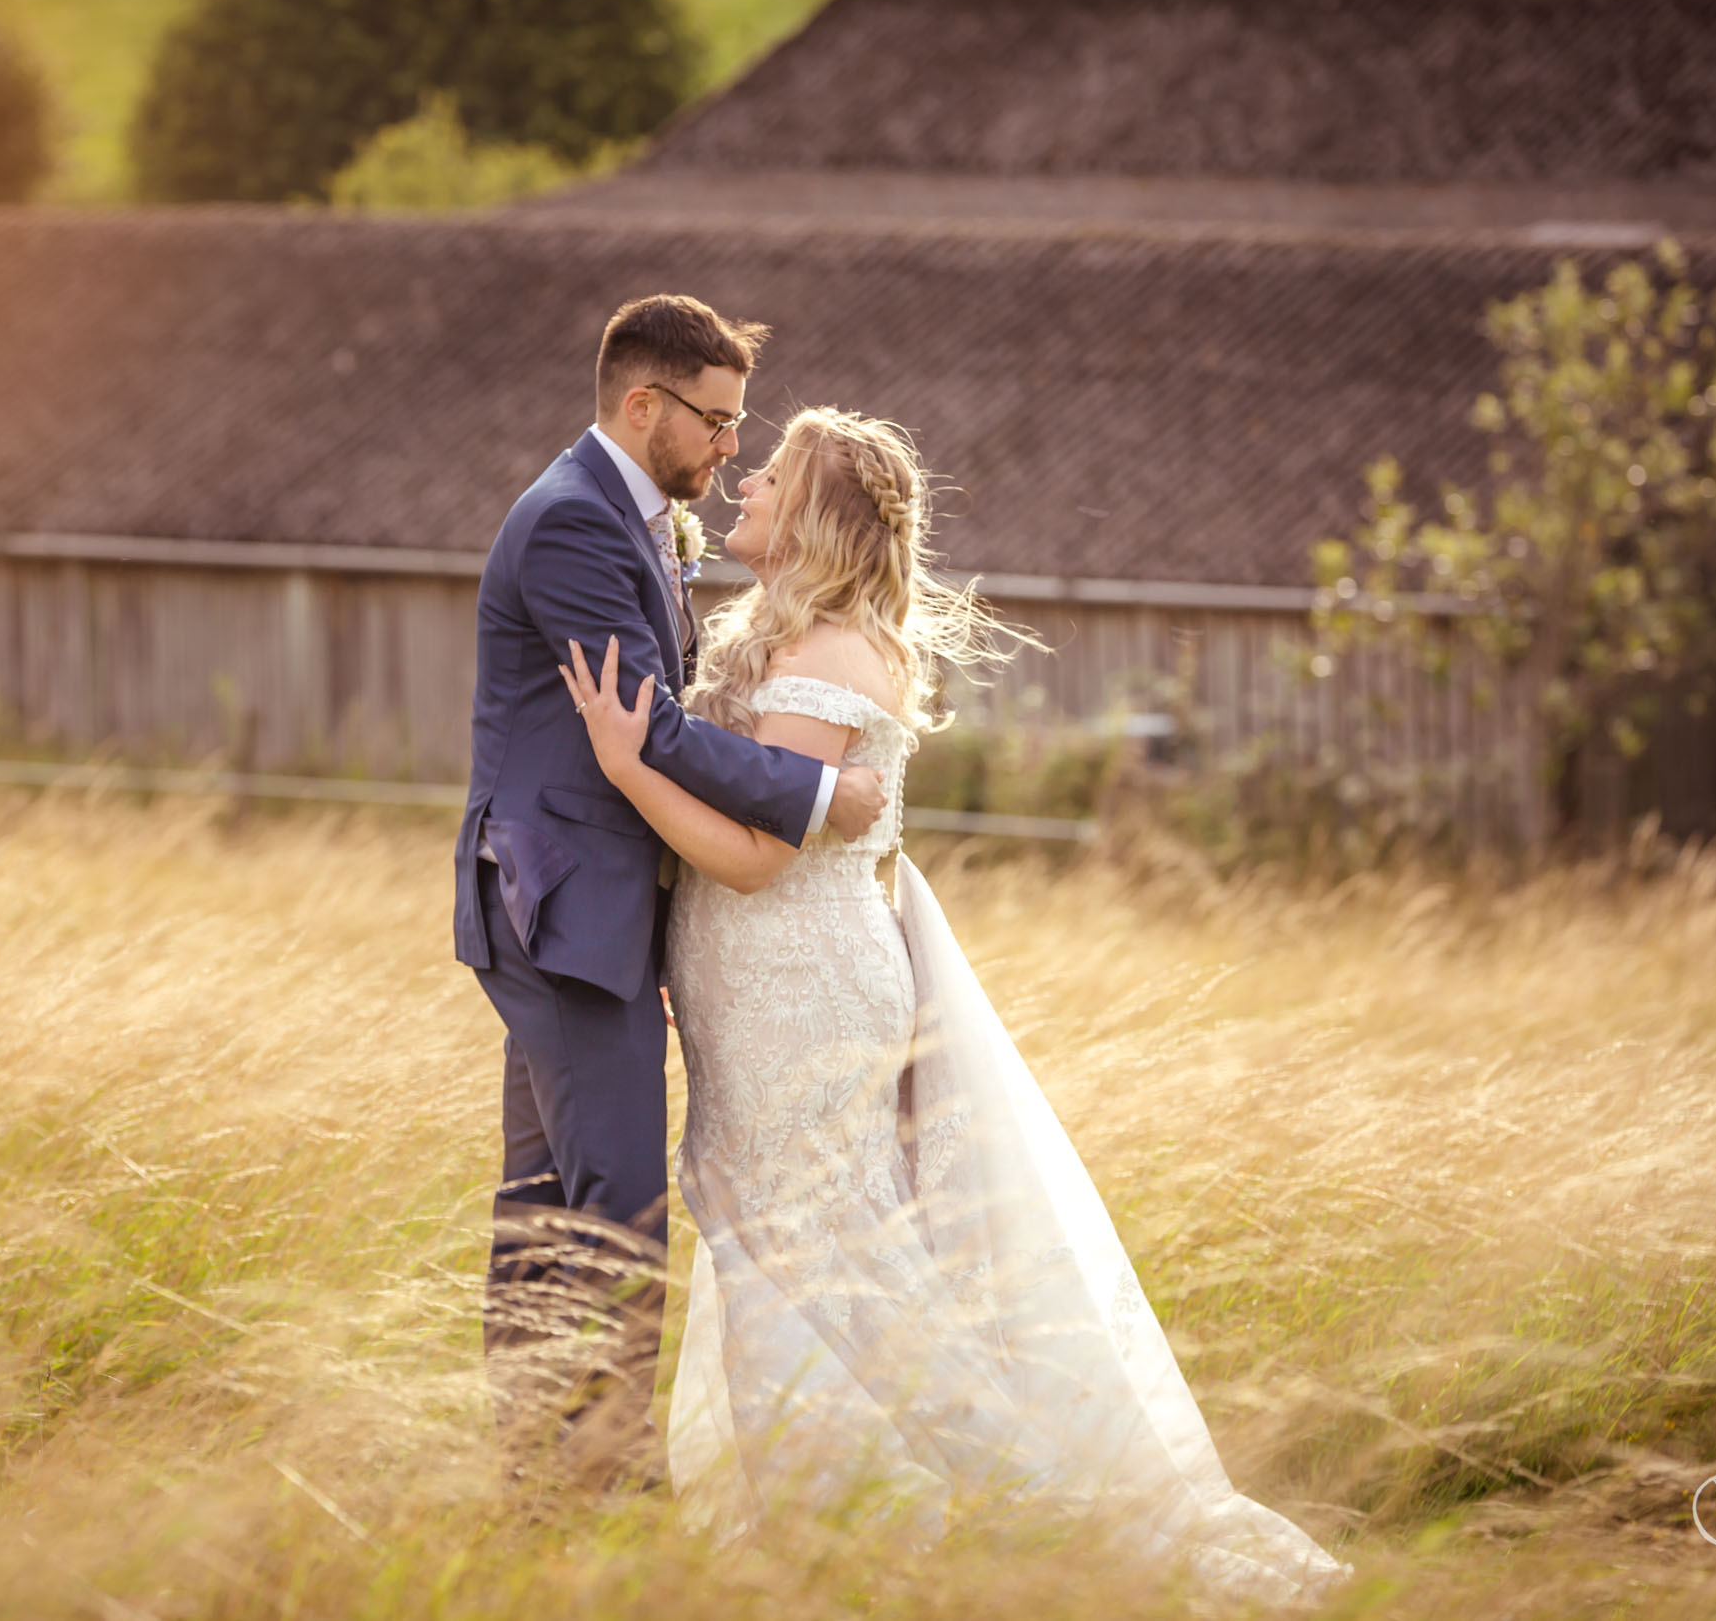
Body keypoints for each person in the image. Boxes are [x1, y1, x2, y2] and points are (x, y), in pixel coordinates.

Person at [555, 408, 1351, 1603]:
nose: (746, 485)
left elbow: (760, 858)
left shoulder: (827, 660)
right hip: (757, 985)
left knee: (814, 1251)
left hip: (800, 989)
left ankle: (999, 1514)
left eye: (771, 475)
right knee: (779, 1240)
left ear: (817, 516)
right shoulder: (791, 638)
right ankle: (833, 1524)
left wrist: (625, 765)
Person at [455, 297, 888, 1485]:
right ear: (640, 403)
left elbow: (644, 725)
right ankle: (606, 1482)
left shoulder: (636, 519)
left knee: (547, 1207)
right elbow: (648, 729)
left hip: (584, 911)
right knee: (616, 1210)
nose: (728, 447)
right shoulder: (572, 526)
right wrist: (810, 793)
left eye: (736, 422)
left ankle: (536, 1474)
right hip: (561, 911)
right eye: (714, 419)